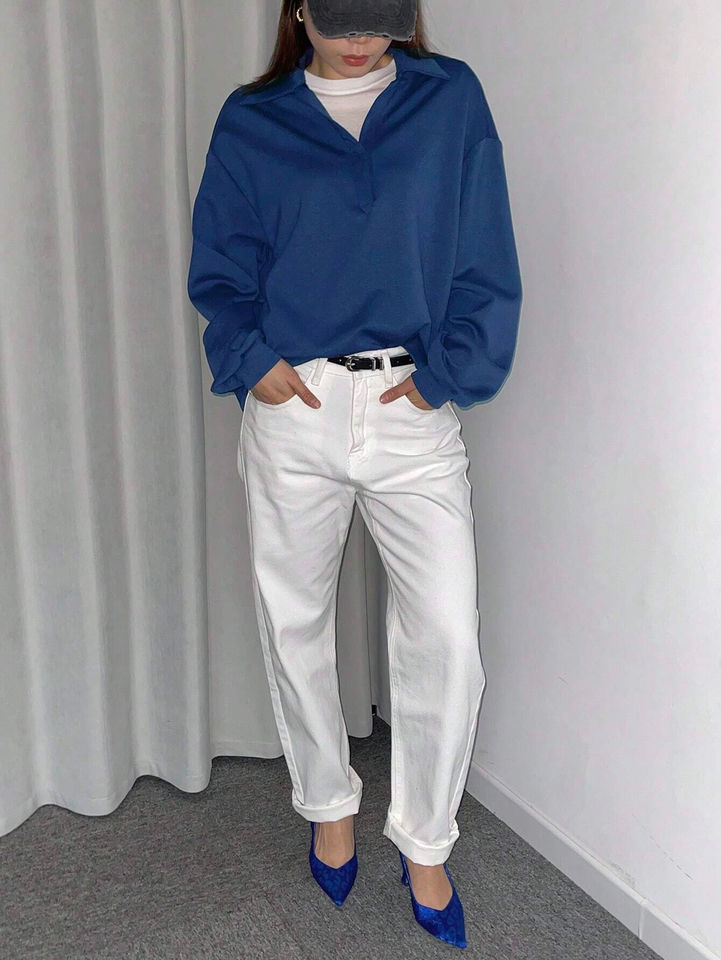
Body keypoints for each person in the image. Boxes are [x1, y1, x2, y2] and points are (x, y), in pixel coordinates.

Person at [187, 0, 522, 948]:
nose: (361, 38)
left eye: (380, 17)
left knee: (447, 632)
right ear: (299, 10)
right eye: (339, 19)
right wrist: (249, 357)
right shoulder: (253, 118)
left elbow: (484, 249)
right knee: (293, 617)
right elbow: (221, 260)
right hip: (296, 404)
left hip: (409, 403)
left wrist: (447, 376)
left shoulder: (448, 100)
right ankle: (327, 804)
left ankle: (424, 838)